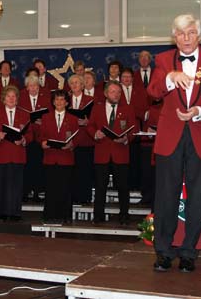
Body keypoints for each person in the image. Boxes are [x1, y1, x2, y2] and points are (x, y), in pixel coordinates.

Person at [148, 14, 201, 273]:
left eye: (192, 32)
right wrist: (170, 77)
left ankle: (188, 253)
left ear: (199, 35)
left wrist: (199, 111)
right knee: (165, 196)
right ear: (174, 37)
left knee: (198, 197)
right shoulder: (163, 60)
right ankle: (163, 252)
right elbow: (153, 92)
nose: (186, 38)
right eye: (182, 33)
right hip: (170, 137)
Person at [87, 81, 135, 225]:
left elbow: (133, 128)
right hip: (102, 152)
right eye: (113, 92)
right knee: (100, 186)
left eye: (119, 92)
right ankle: (98, 215)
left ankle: (124, 215)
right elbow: (90, 126)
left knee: (123, 186)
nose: (116, 95)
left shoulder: (128, 108)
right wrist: (95, 134)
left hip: (121, 152)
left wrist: (126, 139)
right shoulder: (97, 108)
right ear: (106, 93)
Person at [0, 85, 33, 221]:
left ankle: (15, 212)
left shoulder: (24, 114)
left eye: (14, 96)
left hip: (18, 154)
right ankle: (0, 212)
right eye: (8, 96)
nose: (11, 99)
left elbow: (30, 134)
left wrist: (24, 139)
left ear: (17, 99)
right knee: (1, 184)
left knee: (16, 185)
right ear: (3, 98)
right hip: (2, 154)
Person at [40, 89, 79, 223]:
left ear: (67, 103)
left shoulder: (73, 119)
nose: (59, 102)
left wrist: (71, 145)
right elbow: (42, 136)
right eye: (57, 99)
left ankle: (65, 215)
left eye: (62, 99)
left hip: (66, 158)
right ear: (53, 102)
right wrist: (43, 143)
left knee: (65, 188)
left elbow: (76, 138)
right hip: (50, 157)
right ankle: (49, 215)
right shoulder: (46, 117)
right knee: (50, 188)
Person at [19, 74, 50, 202]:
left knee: (39, 166)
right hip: (27, 136)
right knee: (27, 166)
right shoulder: (21, 98)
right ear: (27, 87)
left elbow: (50, 115)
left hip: (40, 137)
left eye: (35, 85)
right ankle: (25, 192)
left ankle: (38, 192)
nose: (33, 88)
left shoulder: (45, 98)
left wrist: (43, 122)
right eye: (30, 86)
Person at [67, 74, 95, 204]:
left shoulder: (90, 100)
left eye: (77, 82)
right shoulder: (65, 101)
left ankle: (85, 197)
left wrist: (87, 122)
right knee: (71, 171)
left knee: (85, 170)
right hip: (70, 140)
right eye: (72, 83)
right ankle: (71, 197)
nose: (74, 85)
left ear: (83, 85)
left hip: (85, 140)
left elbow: (96, 120)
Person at [120, 67, 149, 191]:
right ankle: (121, 185)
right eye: (124, 77)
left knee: (135, 158)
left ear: (132, 78)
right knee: (121, 159)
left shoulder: (140, 91)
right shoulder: (115, 90)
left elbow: (145, 109)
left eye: (129, 77)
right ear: (120, 79)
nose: (126, 79)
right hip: (119, 130)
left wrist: (134, 112)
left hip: (136, 129)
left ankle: (135, 184)